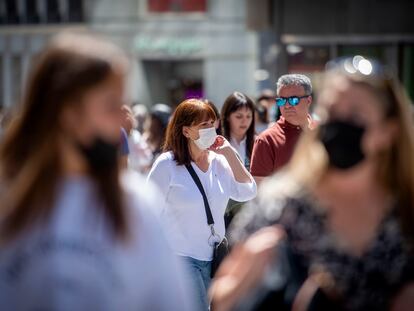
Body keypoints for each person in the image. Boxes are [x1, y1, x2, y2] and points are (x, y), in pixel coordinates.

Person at [0, 32, 193, 310]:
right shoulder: (8, 200)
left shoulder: (136, 203)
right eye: (111, 105)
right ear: (67, 112)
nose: (122, 118)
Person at [210, 57, 414, 311]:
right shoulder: (281, 205)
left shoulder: (405, 210)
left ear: (388, 131)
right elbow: (221, 296)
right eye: (332, 112)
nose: (340, 124)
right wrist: (247, 280)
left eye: (354, 115)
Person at [147, 98, 257, 311]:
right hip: (181, 257)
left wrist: (228, 153)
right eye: (203, 125)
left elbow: (248, 191)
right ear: (186, 131)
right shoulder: (166, 165)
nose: (210, 129)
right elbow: (149, 212)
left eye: (212, 123)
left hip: (215, 256)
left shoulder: (220, 161)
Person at [250, 74, 314, 184]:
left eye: (294, 100)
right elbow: (261, 189)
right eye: (282, 100)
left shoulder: (323, 132)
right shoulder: (266, 140)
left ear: (308, 100)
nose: (287, 105)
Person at [221, 92, 255, 169]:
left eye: (248, 116)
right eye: (239, 116)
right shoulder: (217, 143)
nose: (244, 121)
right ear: (227, 117)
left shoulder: (258, 143)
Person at [121, 104, 153, 173]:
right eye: (123, 115)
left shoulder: (136, 135)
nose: (127, 118)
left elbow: (147, 160)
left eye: (128, 114)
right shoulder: (115, 138)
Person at [142, 103, 172, 170]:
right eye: (152, 120)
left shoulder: (168, 146)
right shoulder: (144, 140)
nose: (152, 125)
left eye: (158, 123)